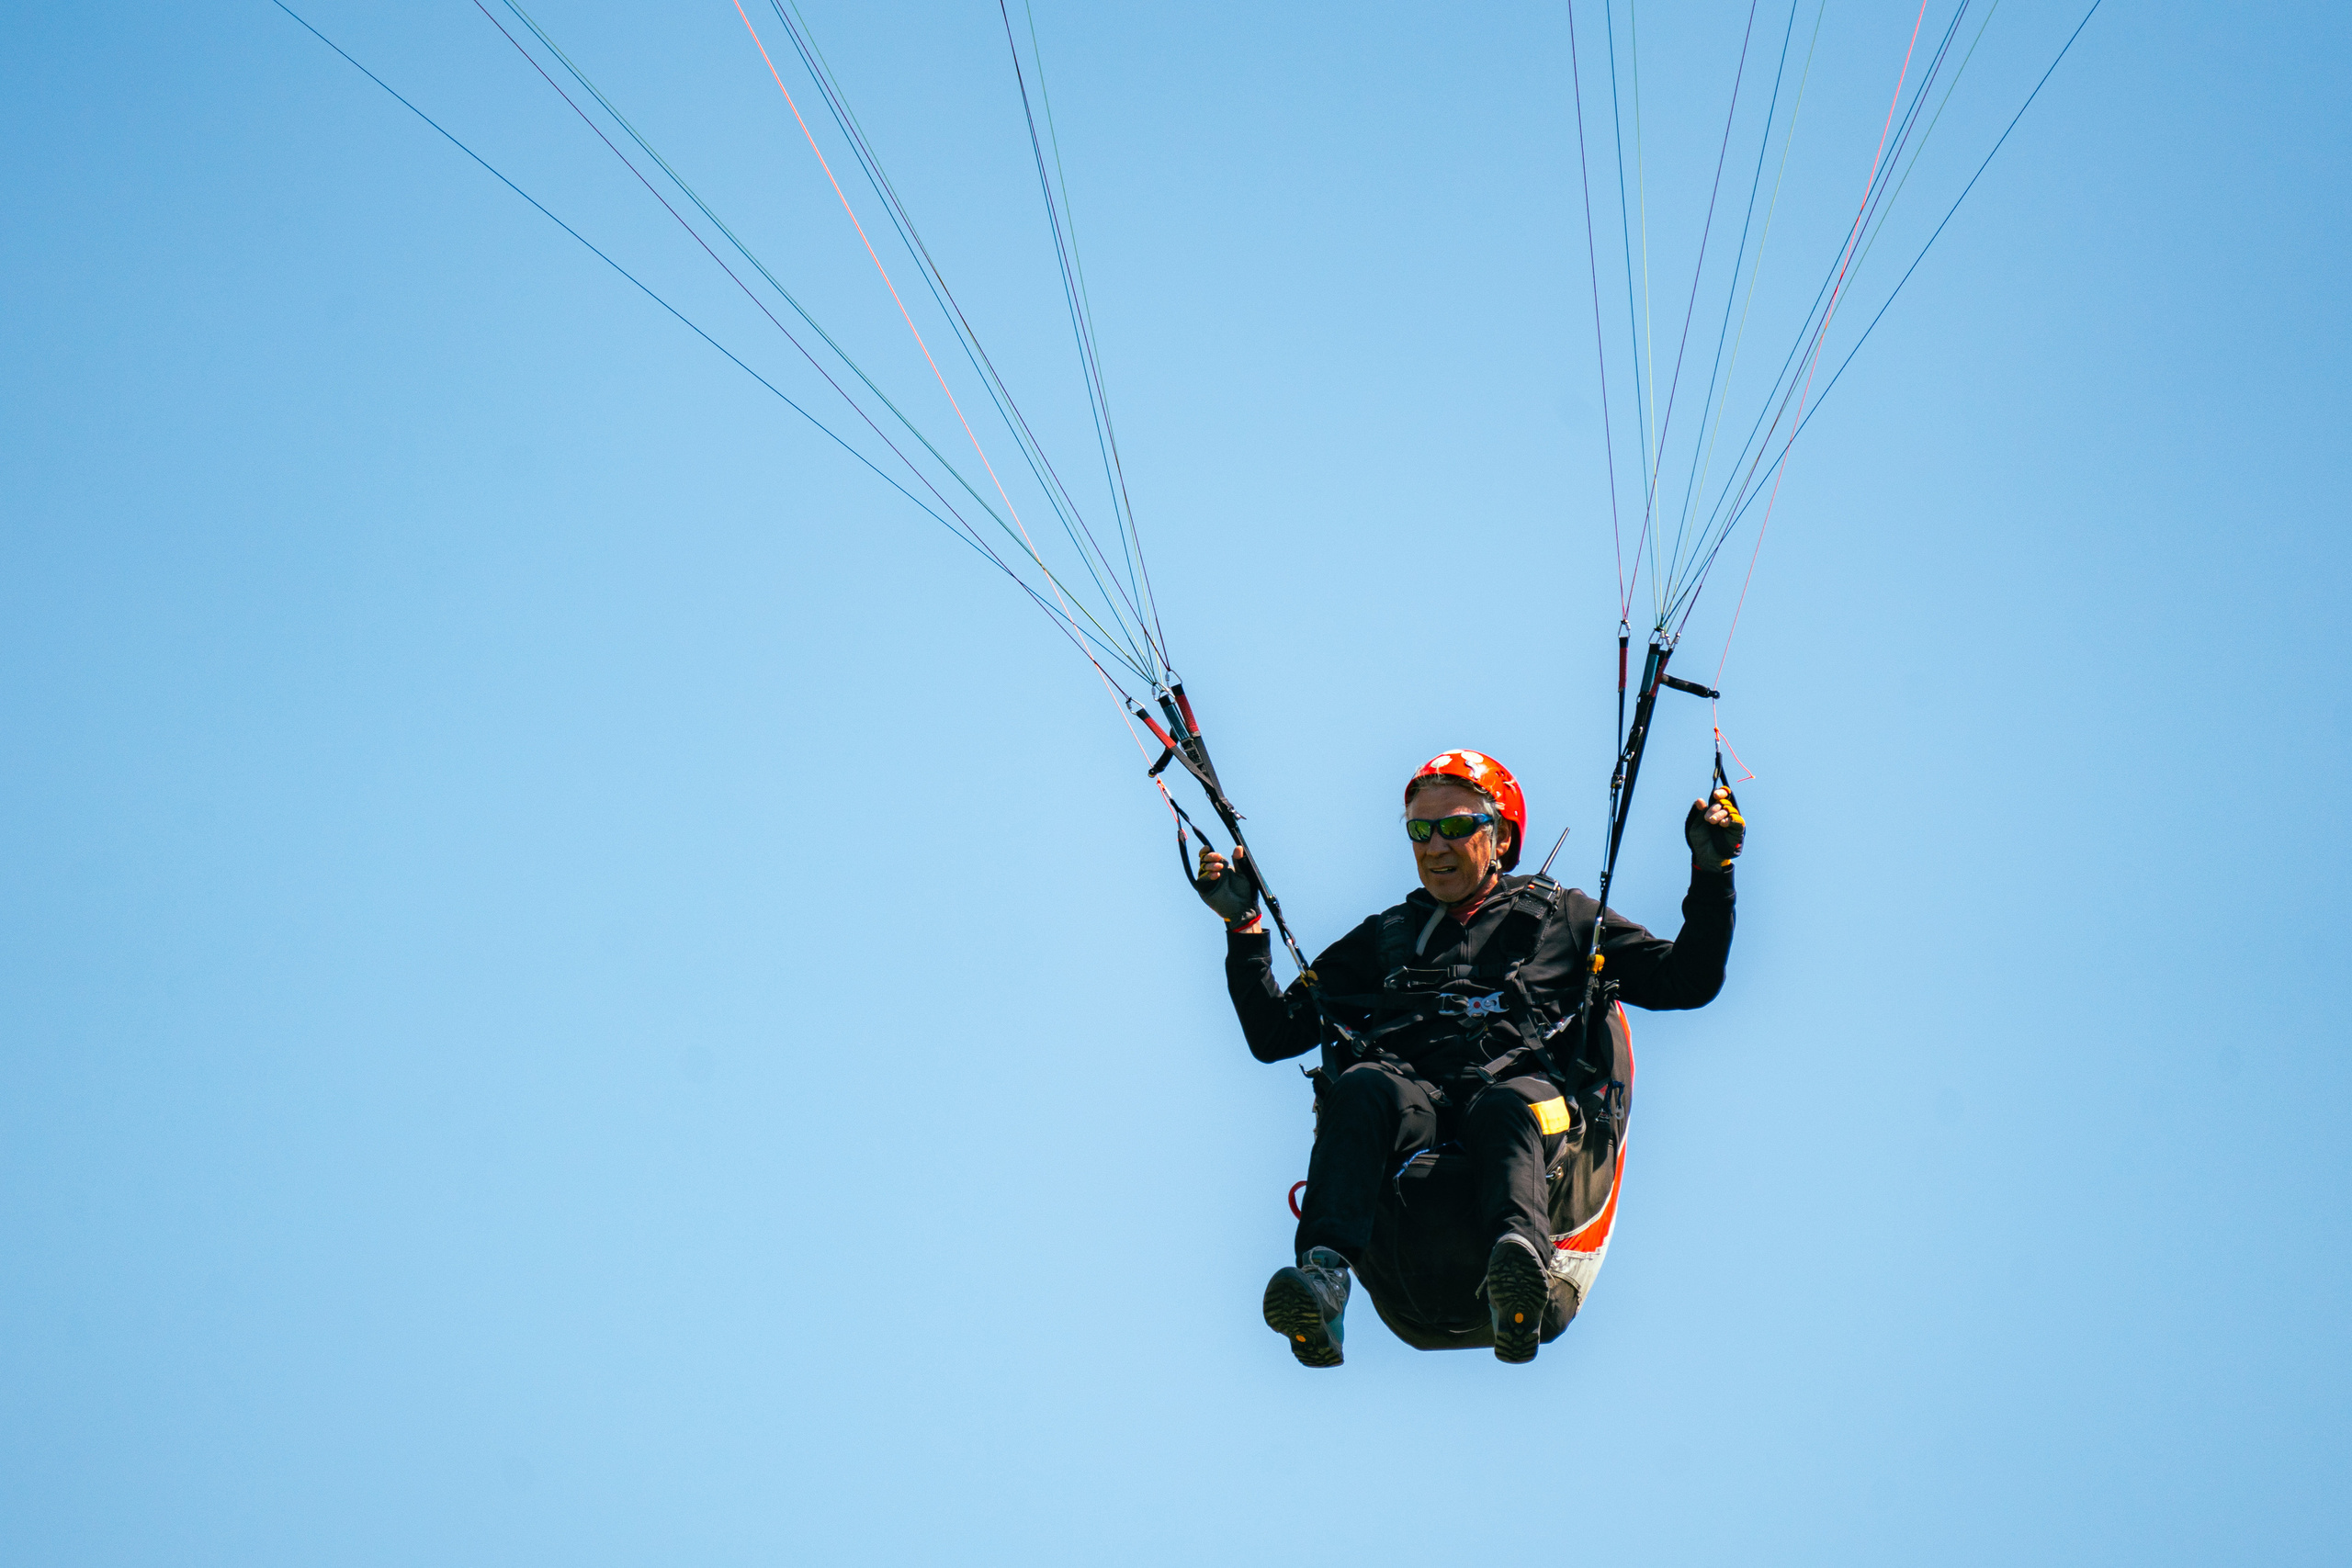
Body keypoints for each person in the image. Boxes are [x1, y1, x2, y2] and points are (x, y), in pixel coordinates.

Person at [1194, 750, 1741, 1366]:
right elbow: (1275, 1033)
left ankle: (1517, 1274)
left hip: (1529, 1113)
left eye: (1454, 826)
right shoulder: (1388, 935)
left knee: (1508, 1106)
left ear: (1502, 836)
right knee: (1363, 1088)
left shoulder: (1561, 916)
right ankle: (1324, 1280)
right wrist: (1243, 927)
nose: (1434, 845)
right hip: (1416, 1123)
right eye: (1419, 831)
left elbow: (1686, 980)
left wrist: (1711, 869)